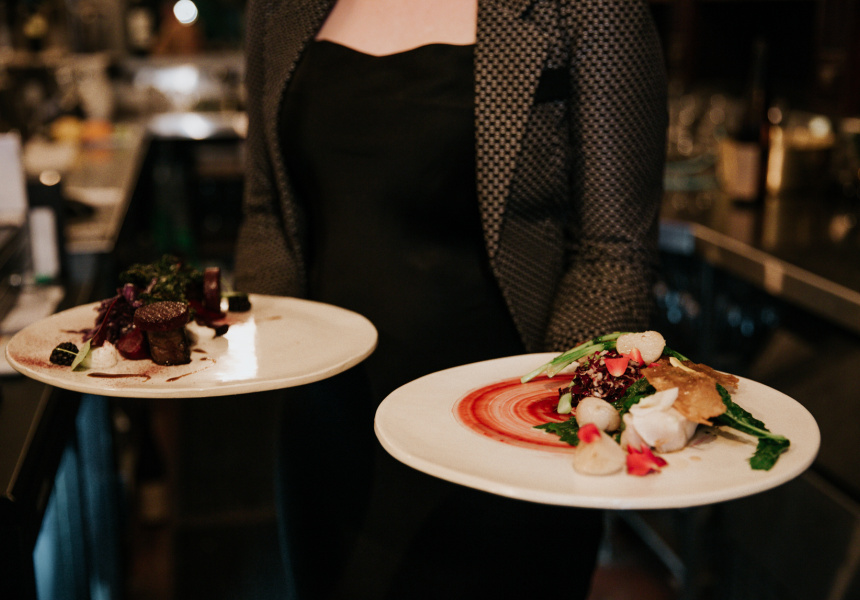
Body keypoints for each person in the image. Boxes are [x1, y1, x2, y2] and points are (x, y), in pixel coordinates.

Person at [235, 1, 667, 599]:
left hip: (512, 439)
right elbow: (268, 214)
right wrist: (245, 349)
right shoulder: (278, 7)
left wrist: (569, 421)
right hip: (329, 437)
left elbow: (613, 251)